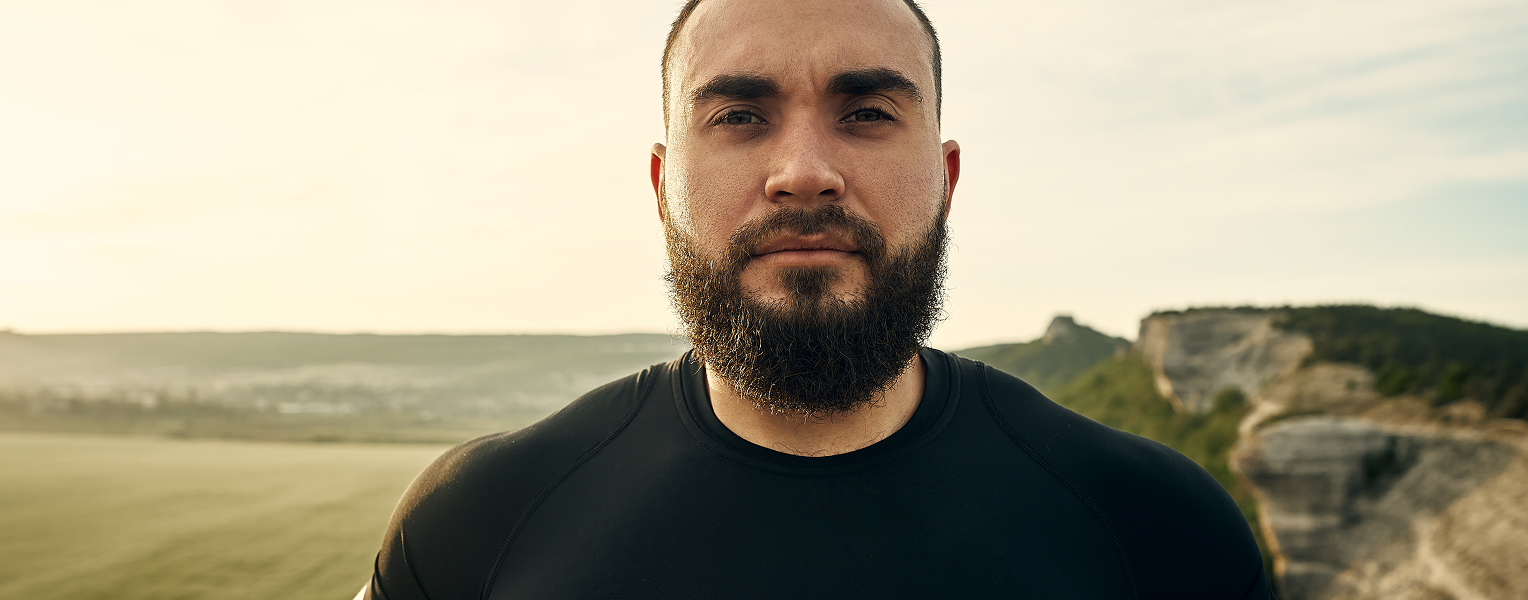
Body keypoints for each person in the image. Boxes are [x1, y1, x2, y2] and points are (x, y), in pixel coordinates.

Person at [360, 1, 1274, 598]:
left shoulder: (1161, 532)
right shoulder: (474, 521)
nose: (803, 173)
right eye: (739, 116)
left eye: (868, 112)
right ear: (663, 182)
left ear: (946, 176)